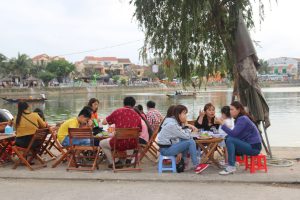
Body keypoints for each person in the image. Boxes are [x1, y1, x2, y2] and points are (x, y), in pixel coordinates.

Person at [157, 105, 209, 174]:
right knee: (190, 142)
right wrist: (187, 126)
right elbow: (186, 136)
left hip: (168, 146)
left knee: (186, 141)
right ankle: (197, 166)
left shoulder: (171, 122)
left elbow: (180, 135)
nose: (185, 116)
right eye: (184, 113)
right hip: (166, 149)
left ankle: (185, 162)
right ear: (178, 114)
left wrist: (185, 127)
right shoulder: (172, 125)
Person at [215, 101, 262, 175]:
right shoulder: (240, 119)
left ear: (238, 110)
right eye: (230, 109)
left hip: (254, 148)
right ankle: (232, 163)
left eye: (232, 109)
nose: (230, 112)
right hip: (249, 145)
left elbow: (233, 134)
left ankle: (231, 166)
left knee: (230, 139)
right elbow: (235, 135)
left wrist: (222, 124)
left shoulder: (243, 119)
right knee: (228, 138)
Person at [100, 96, 142, 168]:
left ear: (124, 103)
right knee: (132, 138)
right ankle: (128, 159)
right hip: (133, 144)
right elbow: (139, 132)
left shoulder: (118, 111)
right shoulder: (137, 116)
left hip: (119, 143)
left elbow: (104, 122)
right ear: (133, 105)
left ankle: (115, 162)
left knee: (102, 143)